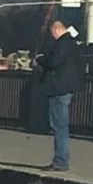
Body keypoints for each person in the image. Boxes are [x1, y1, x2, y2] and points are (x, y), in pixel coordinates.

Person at [36, 20, 80, 171]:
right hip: (64, 87)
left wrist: (40, 59)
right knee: (60, 126)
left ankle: (61, 161)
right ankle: (61, 160)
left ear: (57, 30)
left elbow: (54, 61)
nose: (51, 35)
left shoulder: (63, 43)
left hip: (59, 88)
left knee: (59, 126)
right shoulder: (70, 43)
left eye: (52, 32)